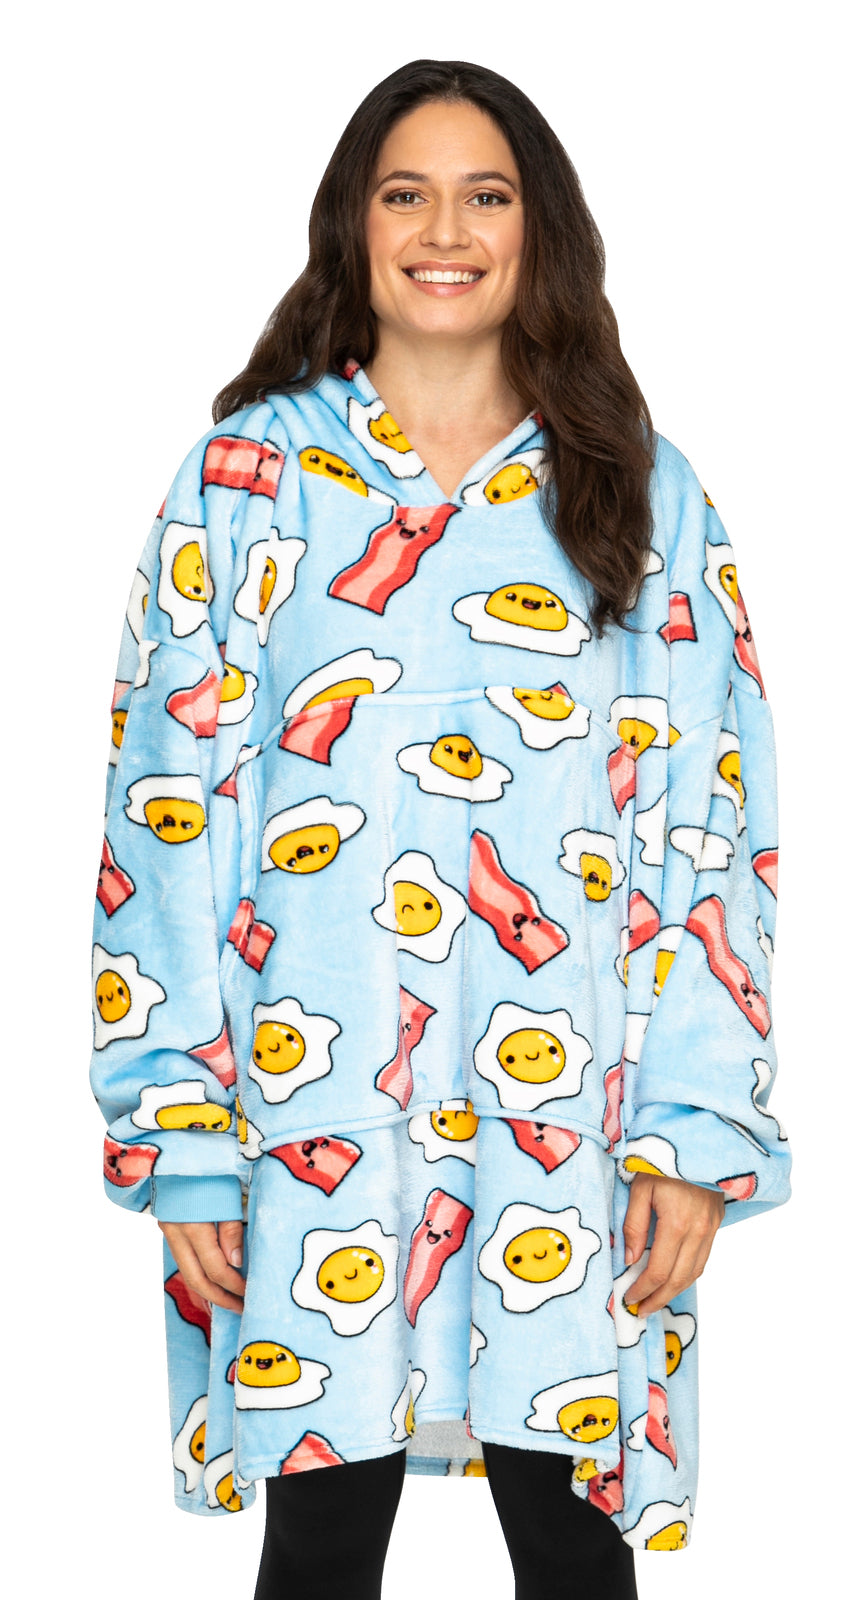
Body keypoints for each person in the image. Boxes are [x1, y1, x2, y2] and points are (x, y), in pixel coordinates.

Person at [90, 57, 791, 1600]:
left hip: (579, 1122)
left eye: (488, 196)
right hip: (308, 1120)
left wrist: (694, 1127)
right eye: (407, 195)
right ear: (355, 223)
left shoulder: (642, 495)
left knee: (574, 1532)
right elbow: (163, 825)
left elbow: (716, 825)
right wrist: (185, 1134)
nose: (446, 232)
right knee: (323, 1535)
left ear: (543, 230)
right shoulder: (246, 483)